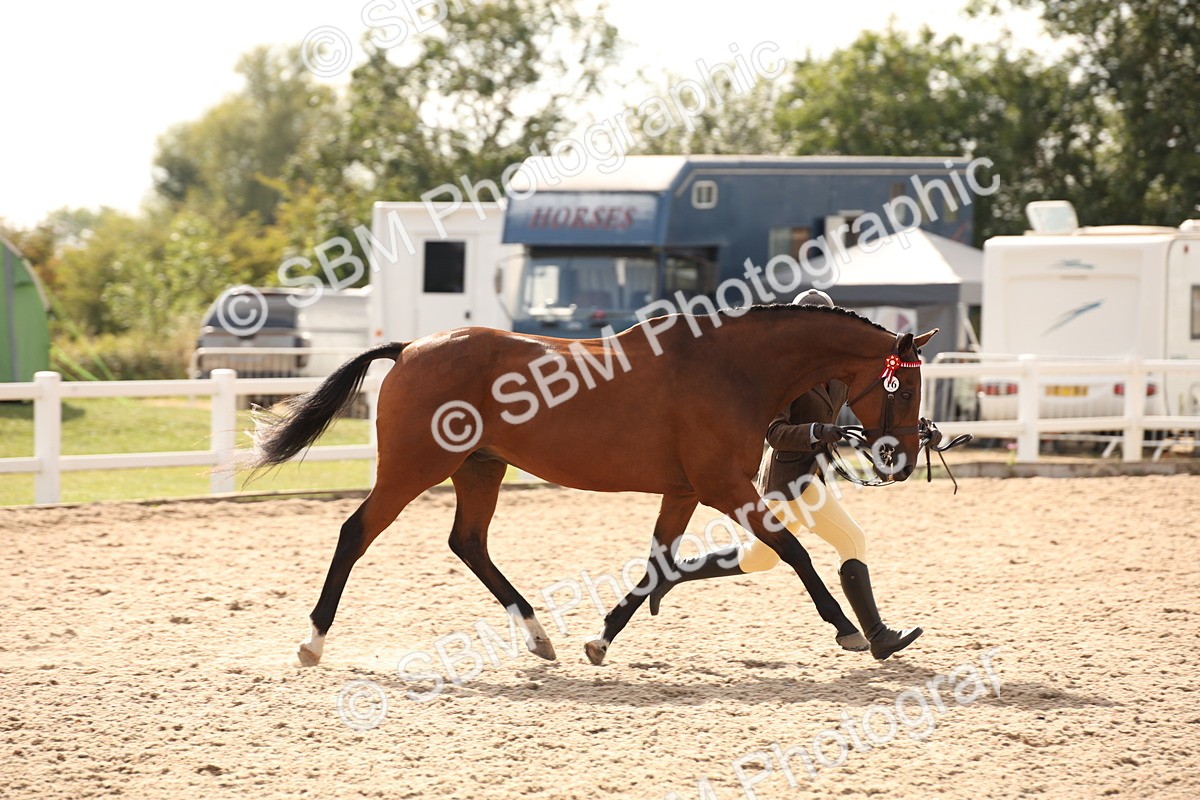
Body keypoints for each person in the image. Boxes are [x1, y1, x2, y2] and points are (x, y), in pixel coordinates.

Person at [648, 289, 923, 660]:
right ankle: (877, 636)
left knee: (759, 558)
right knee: (850, 541)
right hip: (789, 482)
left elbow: (879, 413)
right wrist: (815, 432)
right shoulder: (786, 378)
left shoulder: (841, 377)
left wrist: (919, 432)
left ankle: (672, 573)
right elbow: (774, 434)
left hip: (812, 479)